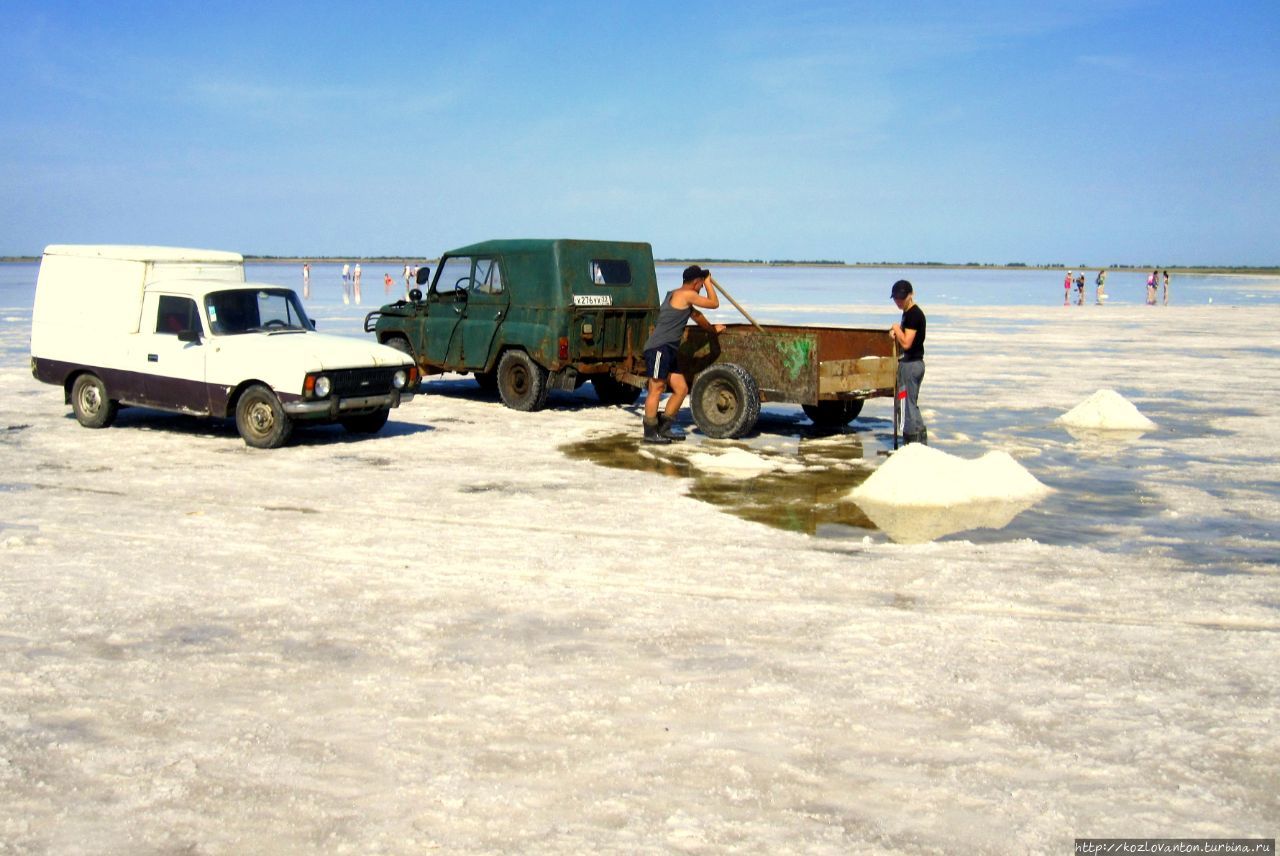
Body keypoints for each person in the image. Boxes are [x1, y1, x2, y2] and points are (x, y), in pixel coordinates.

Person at [641, 265, 726, 444]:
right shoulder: (685, 295)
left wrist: (712, 330)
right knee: (656, 388)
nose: (701, 288)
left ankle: (664, 428)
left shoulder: (679, 297)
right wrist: (709, 282)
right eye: (701, 285)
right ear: (696, 282)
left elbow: (698, 318)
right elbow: (714, 303)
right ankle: (650, 432)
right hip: (659, 348)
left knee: (681, 389)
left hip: (669, 350)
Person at [889, 279, 928, 445]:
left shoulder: (913, 315)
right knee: (906, 402)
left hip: (912, 366)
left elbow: (906, 343)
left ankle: (915, 443)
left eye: (901, 298)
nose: (899, 301)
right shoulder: (907, 313)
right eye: (896, 298)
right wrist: (895, 332)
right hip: (908, 364)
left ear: (911, 295)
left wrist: (897, 329)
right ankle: (915, 440)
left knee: (907, 405)